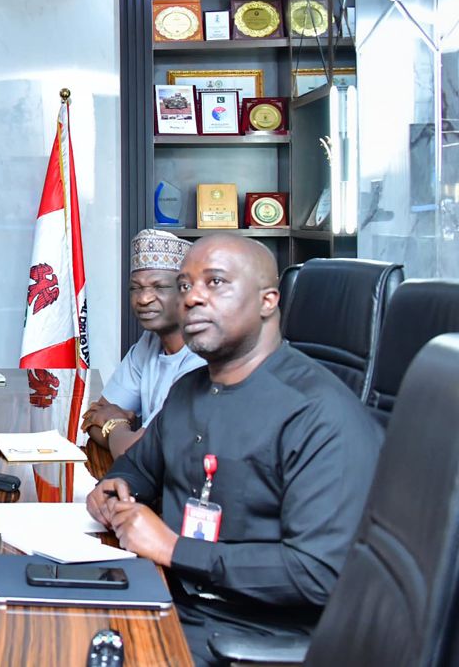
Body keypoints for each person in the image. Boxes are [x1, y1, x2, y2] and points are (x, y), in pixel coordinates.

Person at [85, 235, 382, 666]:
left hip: (247, 633)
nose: (192, 298)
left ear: (268, 301)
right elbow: (139, 467)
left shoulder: (320, 414)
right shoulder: (189, 390)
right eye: (185, 285)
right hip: (168, 596)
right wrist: (114, 486)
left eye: (216, 282)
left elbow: (319, 573)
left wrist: (174, 549)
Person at [80, 229, 205, 456]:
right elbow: (92, 419)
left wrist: (115, 424)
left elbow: (142, 453)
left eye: (160, 287)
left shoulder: (204, 357)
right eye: (135, 288)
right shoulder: (149, 342)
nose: (143, 299)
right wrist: (122, 434)